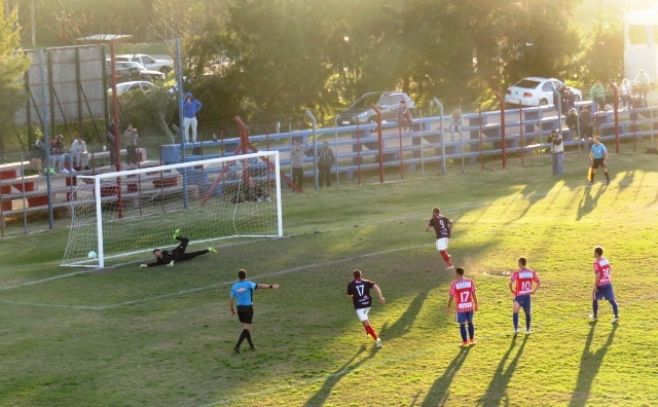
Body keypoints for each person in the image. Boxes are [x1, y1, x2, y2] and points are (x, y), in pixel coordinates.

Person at [229, 268, 279, 353]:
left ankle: (251, 346)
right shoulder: (248, 284)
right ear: (245, 276)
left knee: (246, 327)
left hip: (239, 309)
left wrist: (232, 309)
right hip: (248, 308)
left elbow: (231, 299)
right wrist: (271, 286)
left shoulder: (234, 286)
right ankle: (237, 346)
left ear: (238, 277)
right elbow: (260, 286)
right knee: (247, 328)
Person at [346, 269, 385, 348]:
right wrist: (380, 297)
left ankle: (377, 339)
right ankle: (368, 332)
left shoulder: (350, 284)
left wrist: (353, 296)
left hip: (359, 306)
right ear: (361, 275)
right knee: (364, 320)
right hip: (367, 304)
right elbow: (376, 287)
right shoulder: (366, 282)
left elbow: (349, 296)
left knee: (366, 322)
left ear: (353, 276)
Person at [139, 230, 217, 268]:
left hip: (178, 251)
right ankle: (209, 249)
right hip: (182, 257)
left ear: (159, 251)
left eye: (157, 252)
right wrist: (145, 265)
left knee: (186, 240)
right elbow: (155, 264)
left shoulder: (165, 252)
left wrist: (172, 261)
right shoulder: (159, 260)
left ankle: (175, 237)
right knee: (195, 254)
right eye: (155, 254)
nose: (157, 254)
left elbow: (174, 254)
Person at [447, 267, 479, 347]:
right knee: (470, 323)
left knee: (462, 324)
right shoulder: (470, 281)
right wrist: (476, 304)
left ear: (457, 273)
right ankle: (471, 340)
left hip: (461, 307)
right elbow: (473, 294)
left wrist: (448, 307)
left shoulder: (454, 284)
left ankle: (465, 342)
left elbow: (451, 296)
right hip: (469, 306)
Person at [509, 257, 541, 335]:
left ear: (520, 263)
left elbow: (510, 282)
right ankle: (528, 330)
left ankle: (516, 329)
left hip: (519, 296)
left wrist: (512, 290)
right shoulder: (531, 272)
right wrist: (534, 291)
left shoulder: (517, 273)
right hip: (527, 296)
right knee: (527, 313)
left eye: (518, 263)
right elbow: (539, 282)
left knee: (515, 312)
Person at [590, 246, 619, 323]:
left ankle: (595, 316)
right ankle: (616, 317)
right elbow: (609, 269)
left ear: (596, 253)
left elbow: (598, 275)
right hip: (607, 283)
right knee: (612, 300)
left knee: (595, 299)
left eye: (594, 252)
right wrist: (607, 277)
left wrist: (595, 285)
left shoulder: (596, 263)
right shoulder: (605, 260)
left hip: (600, 285)